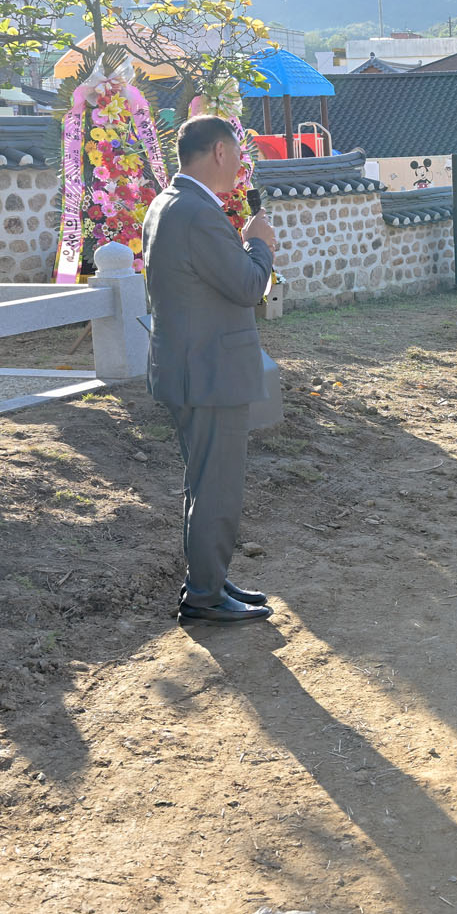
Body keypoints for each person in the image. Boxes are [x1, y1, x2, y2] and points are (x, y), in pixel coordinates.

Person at [142, 115, 278, 624]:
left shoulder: (167, 203)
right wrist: (259, 243)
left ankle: (210, 578)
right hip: (210, 371)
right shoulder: (199, 213)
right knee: (216, 487)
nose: (240, 165)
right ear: (220, 151)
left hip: (188, 366)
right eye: (238, 154)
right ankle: (204, 595)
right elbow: (248, 286)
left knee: (203, 483)